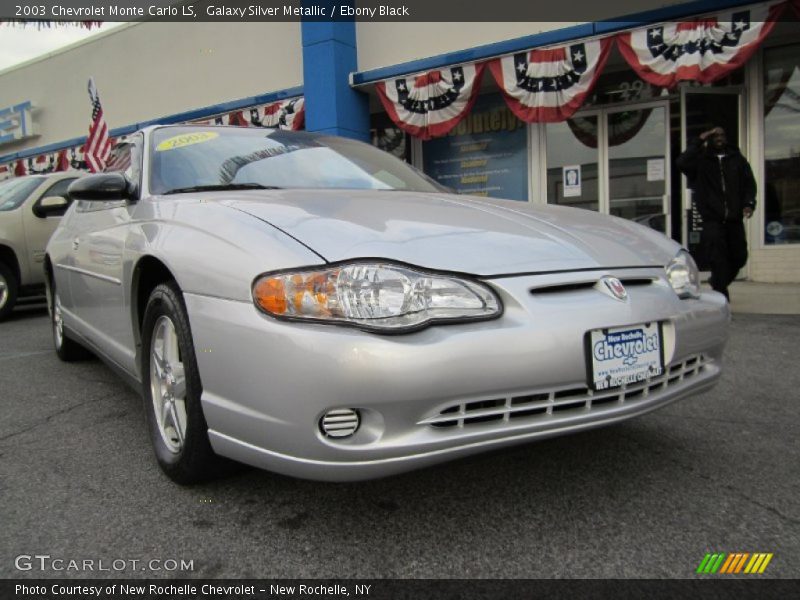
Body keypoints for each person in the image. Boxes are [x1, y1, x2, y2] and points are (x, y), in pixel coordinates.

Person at [676, 126, 756, 301]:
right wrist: (699, 141)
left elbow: (749, 183)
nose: (719, 138)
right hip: (712, 219)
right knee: (717, 259)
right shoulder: (701, 161)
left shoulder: (737, 159)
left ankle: (718, 282)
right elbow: (681, 162)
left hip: (734, 219)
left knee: (740, 257)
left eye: (722, 135)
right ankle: (721, 294)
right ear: (709, 139)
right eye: (715, 135)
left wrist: (749, 203)